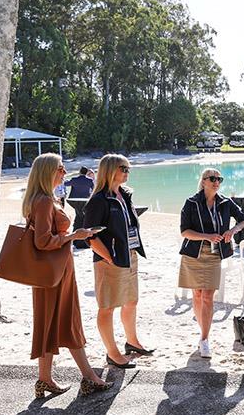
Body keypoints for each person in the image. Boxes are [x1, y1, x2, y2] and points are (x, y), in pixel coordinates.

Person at [21, 153, 113, 397]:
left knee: (50, 323)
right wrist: (74, 236)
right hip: (54, 273)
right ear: (48, 172)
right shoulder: (43, 201)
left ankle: (45, 379)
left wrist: (73, 235)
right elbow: (42, 241)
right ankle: (89, 377)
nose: (64, 172)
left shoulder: (46, 199)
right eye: (60, 168)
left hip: (55, 271)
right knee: (67, 322)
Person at [84, 154, 151, 369]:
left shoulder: (125, 195)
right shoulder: (98, 200)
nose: (127, 172)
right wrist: (110, 258)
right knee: (107, 307)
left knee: (131, 301)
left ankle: (132, 342)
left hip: (129, 255)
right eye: (123, 168)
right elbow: (90, 237)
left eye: (128, 169)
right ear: (111, 170)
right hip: (109, 260)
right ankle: (112, 353)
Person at [179, 168, 244, 358]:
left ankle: (204, 338)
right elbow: (185, 232)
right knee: (197, 294)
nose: (216, 182)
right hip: (193, 254)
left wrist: (233, 230)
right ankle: (202, 328)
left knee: (208, 296)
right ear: (203, 181)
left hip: (214, 255)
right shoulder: (191, 202)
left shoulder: (225, 202)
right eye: (212, 179)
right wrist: (206, 236)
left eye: (219, 179)